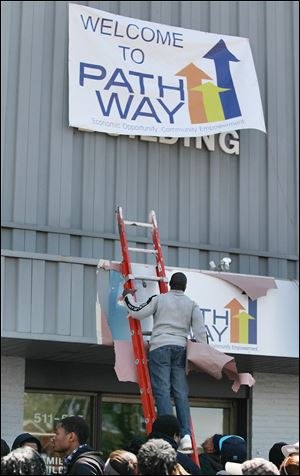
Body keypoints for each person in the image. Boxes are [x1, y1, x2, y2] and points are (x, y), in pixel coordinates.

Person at [122, 272, 207, 453]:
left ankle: (168, 436)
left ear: (170, 285)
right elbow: (200, 334)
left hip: (160, 347)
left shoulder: (160, 299)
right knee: (180, 393)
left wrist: (127, 295)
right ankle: (185, 437)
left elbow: (137, 312)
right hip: (181, 349)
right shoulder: (192, 304)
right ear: (185, 287)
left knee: (162, 392)